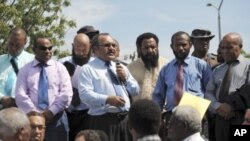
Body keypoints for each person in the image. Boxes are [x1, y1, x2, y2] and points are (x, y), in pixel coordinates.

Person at [78, 33, 139, 141]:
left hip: (125, 119)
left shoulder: (121, 67)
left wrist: (125, 78)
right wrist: (107, 99)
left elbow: (135, 91)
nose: (111, 48)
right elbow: (85, 95)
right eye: (107, 45)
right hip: (103, 121)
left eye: (113, 45)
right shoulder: (88, 69)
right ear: (95, 49)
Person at [15, 37, 73, 141]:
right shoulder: (25, 70)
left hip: (57, 119)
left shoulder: (60, 68)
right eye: (43, 48)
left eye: (50, 48)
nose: (47, 51)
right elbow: (20, 94)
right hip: (32, 122)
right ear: (34, 49)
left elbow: (66, 93)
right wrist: (36, 115)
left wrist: (51, 112)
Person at [205, 32, 250, 141]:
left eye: (229, 47)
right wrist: (218, 106)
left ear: (240, 47)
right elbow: (208, 92)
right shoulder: (217, 70)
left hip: (241, 118)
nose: (225, 51)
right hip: (220, 119)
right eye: (222, 48)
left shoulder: (248, 66)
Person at [153, 31, 212, 111]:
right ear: (171, 46)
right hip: (171, 116)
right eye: (177, 45)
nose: (181, 48)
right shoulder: (166, 69)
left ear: (190, 45)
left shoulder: (202, 66)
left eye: (184, 45)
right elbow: (158, 96)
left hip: (196, 116)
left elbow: (210, 92)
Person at [59, 33, 92, 141]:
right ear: (73, 46)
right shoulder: (62, 63)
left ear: (90, 46)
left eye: (84, 49)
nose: (81, 53)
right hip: (66, 113)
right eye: (78, 49)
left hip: (87, 115)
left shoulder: (96, 65)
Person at [0, 27, 34, 109]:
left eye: (17, 45)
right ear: (7, 40)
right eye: (11, 44)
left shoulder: (33, 62)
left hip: (24, 112)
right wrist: (2, 98)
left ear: (25, 42)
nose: (13, 48)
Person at [128, 32, 167, 101]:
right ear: (140, 49)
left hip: (163, 110)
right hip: (138, 110)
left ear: (157, 47)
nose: (150, 50)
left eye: (153, 47)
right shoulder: (130, 68)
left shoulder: (167, 65)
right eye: (146, 47)